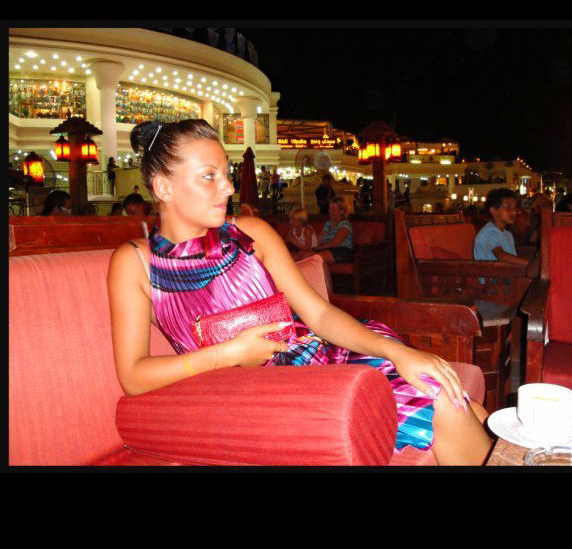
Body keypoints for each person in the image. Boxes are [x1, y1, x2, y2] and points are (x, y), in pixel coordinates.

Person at [107, 118, 492, 465]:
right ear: (163, 187)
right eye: (209, 176)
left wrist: (397, 352)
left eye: (227, 173)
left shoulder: (250, 234)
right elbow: (134, 375)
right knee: (446, 402)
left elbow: (319, 314)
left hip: (325, 358)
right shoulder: (136, 263)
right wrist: (230, 353)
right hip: (267, 396)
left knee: (469, 406)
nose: (227, 187)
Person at [473, 188, 528, 265]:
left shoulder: (508, 234)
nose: (514, 212)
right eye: (508, 207)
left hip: (508, 271)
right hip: (492, 272)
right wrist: (530, 263)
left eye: (515, 208)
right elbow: (502, 256)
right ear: (493, 210)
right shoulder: (488, 232)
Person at [309, 197, 354, 264]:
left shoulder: (345, 224)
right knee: (305, 255)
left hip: (342, 250)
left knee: (316, 258)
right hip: (328, 250)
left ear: (342, 211)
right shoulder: (328, 224)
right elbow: (319, 239)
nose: (330, 211)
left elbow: (335, 243)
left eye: (334, 209)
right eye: (330, 209)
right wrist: (310, 245)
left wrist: (319, 248)